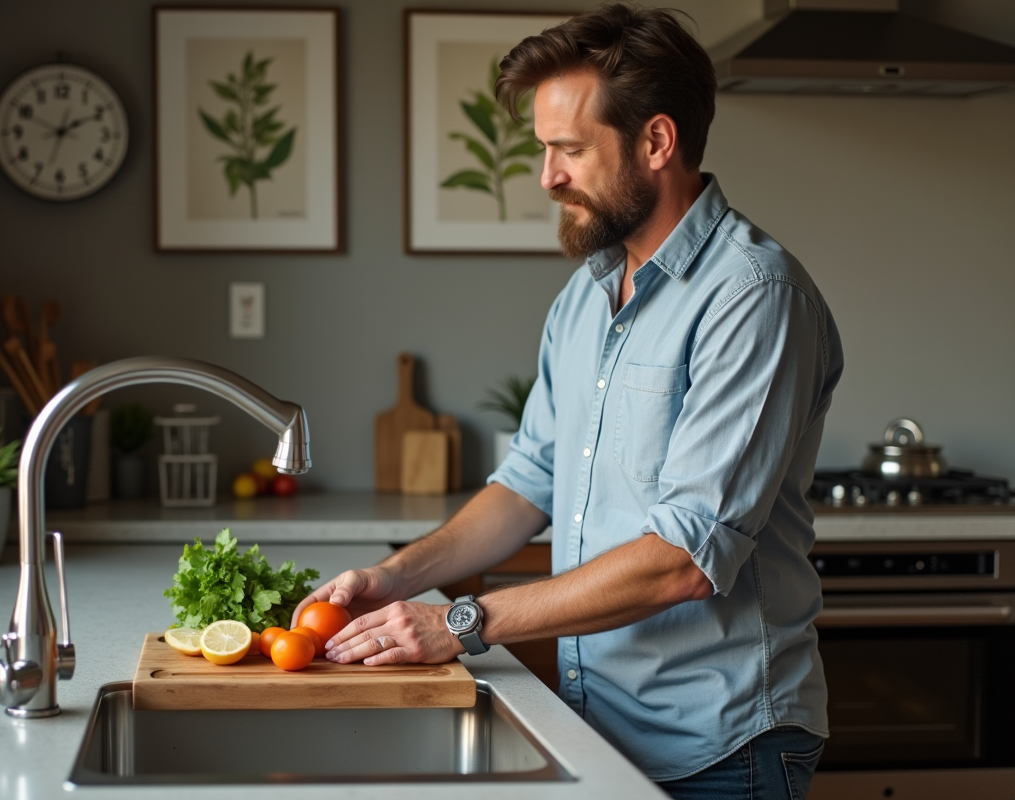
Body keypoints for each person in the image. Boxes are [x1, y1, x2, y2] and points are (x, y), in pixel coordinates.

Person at [293, 4, 842, 798]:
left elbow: (685, 560)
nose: (548, 176)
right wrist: (395, 577)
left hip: (719, 748)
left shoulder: (753, 296)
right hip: (598, 726)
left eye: (570, 150)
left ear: (656, 142)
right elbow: (528, 485)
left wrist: (461, 622)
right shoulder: (586, 298)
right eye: (544, 149)